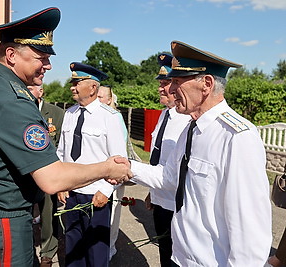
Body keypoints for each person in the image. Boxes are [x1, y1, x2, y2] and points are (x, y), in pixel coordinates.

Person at [0, 8, 130, 267]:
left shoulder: (0, 88)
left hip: (3, 214)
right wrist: (107, 168)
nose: (48, 65)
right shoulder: (9, 100)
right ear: (11, 55)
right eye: (41, 57)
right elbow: (51, 178)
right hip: (0, 220)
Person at [114, 40, 272, 266]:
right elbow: (170, 178)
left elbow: (250, 230)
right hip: (181, 257)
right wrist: (128, 167)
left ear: (206, 84)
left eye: (177, 81)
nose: (172, 89)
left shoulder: (237, 137)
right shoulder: (191, 128)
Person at [57, 63, 128, 267]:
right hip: (71, 193)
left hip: (96, 195)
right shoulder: (69, 114)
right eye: (72, 82)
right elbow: (61, 153)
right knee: (73, 247)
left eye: (77, 82)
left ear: (93, 88)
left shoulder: (110, 117)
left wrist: (106, 190)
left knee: (96, 252)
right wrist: (62, 185)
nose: (72, 86)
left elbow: (119, 160)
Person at [142, 53, 190, 267]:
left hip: (178, 204)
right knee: (164, 253)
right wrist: (152, 192)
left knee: (177, 258)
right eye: (160, 83)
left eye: (166, 83)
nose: (160, 88)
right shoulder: (164, 115)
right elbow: (160, 159)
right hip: (161, 198)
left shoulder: (188, 120)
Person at [28, 85, 64, 267]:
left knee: (48, 212)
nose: (27, 90)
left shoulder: (57, 113)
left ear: (41, 91)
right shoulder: (20, 109)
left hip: (49, 171)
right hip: (26, 171)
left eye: (31, 88)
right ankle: (26, 248)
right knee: (25, 212)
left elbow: (63, 143)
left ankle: (48, 252)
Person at [96, 85, 126, 260]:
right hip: (97, 174)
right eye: (96, 96)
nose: (98, 100)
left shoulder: (115, 118)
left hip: (113, 175)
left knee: (113, 212)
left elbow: (119, 153)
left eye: (101, 97)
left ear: (109, 100)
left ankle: (110, 247)